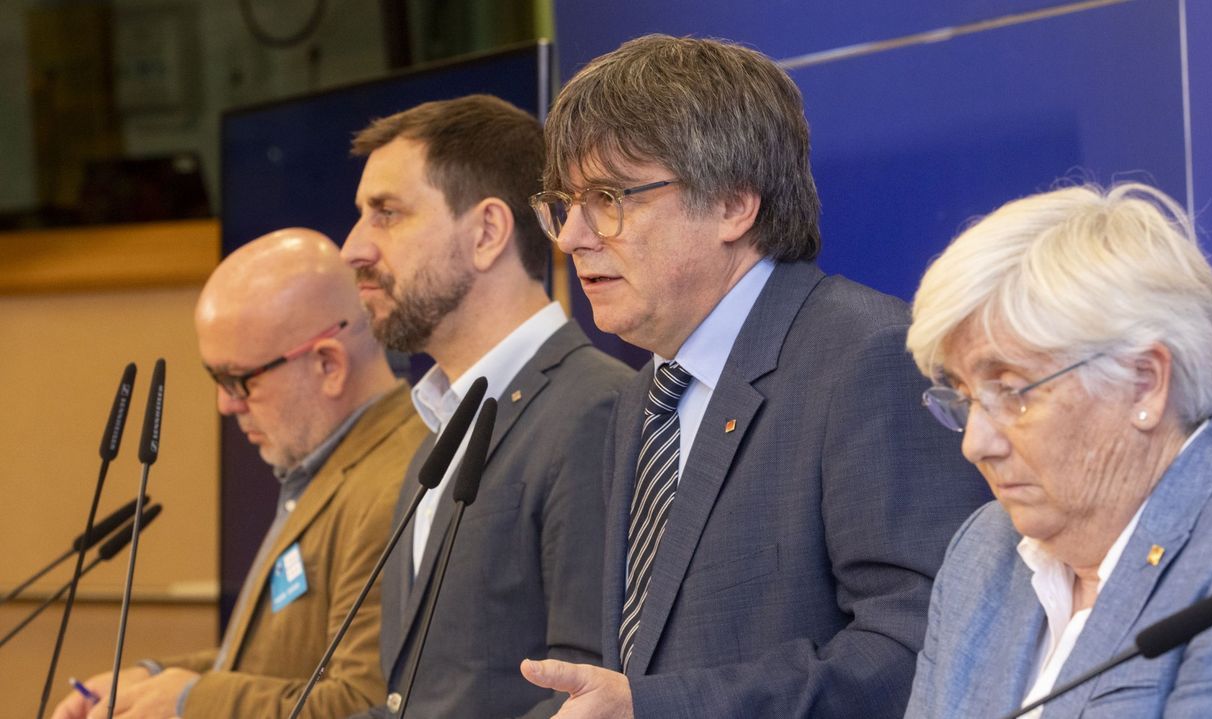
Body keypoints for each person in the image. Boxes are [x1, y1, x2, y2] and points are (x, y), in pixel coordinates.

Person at [519, 34, 989, 718]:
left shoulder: (867, 357)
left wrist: (654, 709)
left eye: (611, 198)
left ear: (735, 205)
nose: (572, 236)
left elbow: (919, 648)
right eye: (566, 202)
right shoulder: (643, 398)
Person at [902, 183, 1212, 718]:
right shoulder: (982, 554)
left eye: (1012, 391)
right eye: (964, 398)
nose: (974, 443)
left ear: (1143, 383)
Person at [51, 228, 426, 719]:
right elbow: (279, 663)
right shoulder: (327, 466)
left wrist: (188, 703)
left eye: (238, 380)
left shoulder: (397, 486)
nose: (225, 404)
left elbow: (363, 705)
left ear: (327, 364)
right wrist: (154, 680)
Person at [340, 94, 632, 719]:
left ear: (487, 233)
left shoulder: (596, 410)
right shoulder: (435, 434)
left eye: (386, 214)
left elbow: (584, 692)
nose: (354, 249)